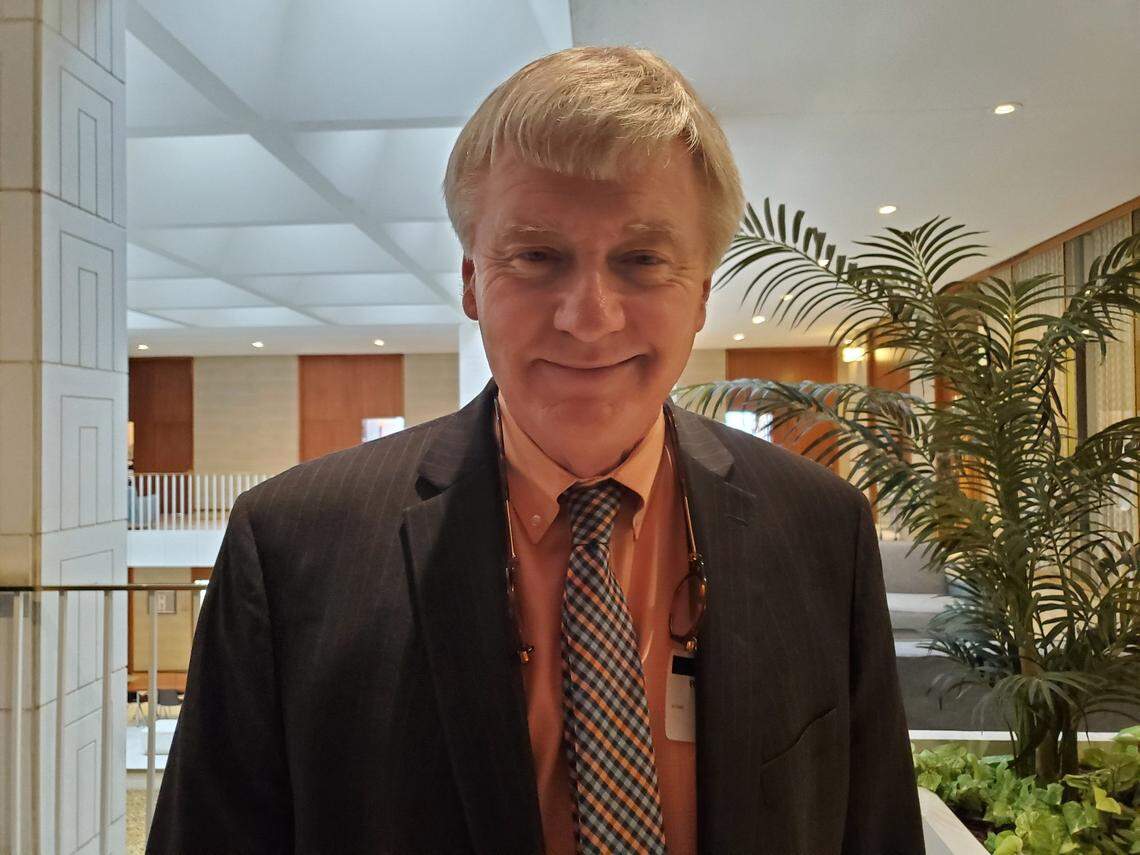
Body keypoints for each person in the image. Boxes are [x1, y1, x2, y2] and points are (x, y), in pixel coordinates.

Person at [146, 46, 924, 855]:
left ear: (700, 292)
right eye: (537, 256)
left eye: (643, 260)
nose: (589, 317)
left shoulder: (821, 529)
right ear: (473, 280)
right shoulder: (293, 545)